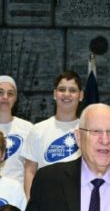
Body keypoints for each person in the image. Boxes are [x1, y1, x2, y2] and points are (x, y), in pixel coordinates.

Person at [22, 70, 84, 198]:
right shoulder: (38, 130)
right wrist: (30, 203)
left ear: (81, 95)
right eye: (62, 89)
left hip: (80, 199)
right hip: (45, 200)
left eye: (72, 90)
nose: (66, 94)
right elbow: (30, 171)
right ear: (55, 94)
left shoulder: (87, 130)